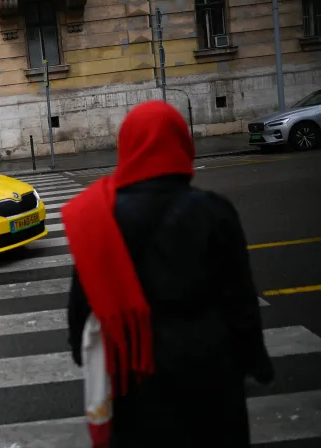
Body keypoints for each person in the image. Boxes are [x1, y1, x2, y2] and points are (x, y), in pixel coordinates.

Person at [62, 101, 273, 448]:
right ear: (182, 144)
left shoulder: (99, 218)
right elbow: (240, 300)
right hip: (210, 367)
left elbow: (82, 299)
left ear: (126, 146)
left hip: (134, 370)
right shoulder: (213, 211)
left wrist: (78, 349)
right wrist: (256, 362)